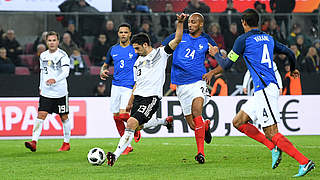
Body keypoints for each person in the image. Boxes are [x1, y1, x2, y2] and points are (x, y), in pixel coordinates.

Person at [203, 9, 315, 177]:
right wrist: (293, 69)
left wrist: (216, 55)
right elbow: (290, 52)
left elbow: (226, 65)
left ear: (243, 23)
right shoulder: (268, 38)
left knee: (272, 132)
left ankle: (304, 162)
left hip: (265, 89)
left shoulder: (243, 40)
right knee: (238, 122)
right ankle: (273, 148)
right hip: (263, 89)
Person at [105, 13, 188, 166]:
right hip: (138, 97)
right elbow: (136, 83)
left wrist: (180, 23)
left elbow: (177, 39)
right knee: (139, 125)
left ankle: (115, 155)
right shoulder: (137, 62)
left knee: (130, 123)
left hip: (152, 98)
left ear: (145, 45)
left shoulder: (160, 54)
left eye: (137, 49)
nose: (135, 52)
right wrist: (131, 101)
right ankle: (164, 121)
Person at [162, 12, 217, 164]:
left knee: (197, 111)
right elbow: (161, 49)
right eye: (189, 22)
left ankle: (200, 153)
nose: (190, 25)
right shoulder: (179, 36)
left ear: (201, 24)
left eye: (193, 22)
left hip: (198, 81)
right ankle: (205, 126)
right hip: (180, 84)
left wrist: (219, 52)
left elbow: (221, 53)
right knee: (193, 124)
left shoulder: (206, 39)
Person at [25, 31, 71, 152]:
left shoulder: (62, 55)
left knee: (64, 117)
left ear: (58, 42)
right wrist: (41, 86)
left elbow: (66, 72)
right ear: (46, 42)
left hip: (60, 92)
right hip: (46, 92)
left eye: (54, 40)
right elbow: (42, 72)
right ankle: (34, 141)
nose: (52, 43)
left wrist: (54, 79)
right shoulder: (43, 55)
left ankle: (66, 143)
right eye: (49, 40)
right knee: (41, 115)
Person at [100, 23, 141, 155]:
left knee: (123, 114)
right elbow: (105, 65)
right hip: (116, 85)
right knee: (116, 117)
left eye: (125, 32)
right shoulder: (113, 49)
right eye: (121, 32)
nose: (123, 34)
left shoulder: (135, 49)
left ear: (130, 34)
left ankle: (136, 128)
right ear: (118, 34)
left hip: (129, 85)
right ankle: (126, 146)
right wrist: (102, 71)